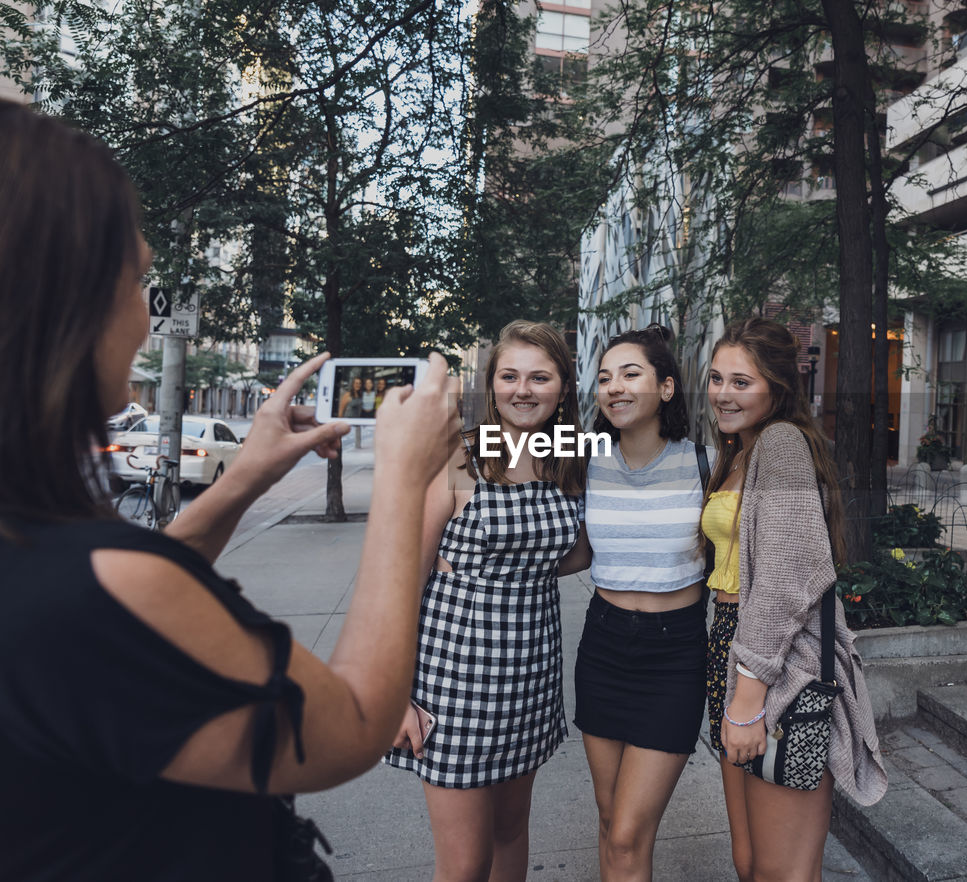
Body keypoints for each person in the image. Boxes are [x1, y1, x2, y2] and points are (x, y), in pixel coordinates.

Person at [0, 99, 462, 879]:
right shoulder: (90, 587)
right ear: (65, 298)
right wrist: (405, 482)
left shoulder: (52, 566)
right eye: (139, 281)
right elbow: (349, 724)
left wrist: (245, 477)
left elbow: (119, 594)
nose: (147, 322)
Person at [384, 320, 589, 882]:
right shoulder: (459, 457)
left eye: (540, 377)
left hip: (530, 678)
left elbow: (576, 555)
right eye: (509, 376)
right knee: (465, 863)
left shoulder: (567, 458)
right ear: (491, 384)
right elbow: (403, 577)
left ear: (563, 388)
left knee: (510, 835)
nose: (523, 389)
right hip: (454, 682)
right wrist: (395, 693)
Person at [702, 317, 887, 882]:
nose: (723, 394)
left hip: (774, 668)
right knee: (752, 863)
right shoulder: (739, 452)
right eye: (715, 379)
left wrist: (748, 699)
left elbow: (788, 579)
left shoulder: (780, 444)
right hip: (733, 652)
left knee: (782, 873)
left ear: (777, 388)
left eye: (741, 382)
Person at [575, 324, 713, 881]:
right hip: (604, 645)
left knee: (629, 832)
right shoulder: (582, 458)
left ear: (667, 387)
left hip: (675, 653)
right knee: (611, 823)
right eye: (605, 378)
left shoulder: (707, 462)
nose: (615, 388)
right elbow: (499, 444)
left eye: (631, 374)